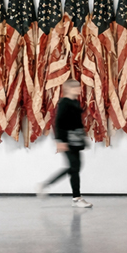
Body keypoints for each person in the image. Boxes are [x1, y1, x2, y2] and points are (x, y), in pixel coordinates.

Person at [36, 79, 92, 208]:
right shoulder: (64, 103)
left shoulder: (75, 102)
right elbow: (59, 123)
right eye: (76, 88)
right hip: (68, 140)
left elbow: (77, 122)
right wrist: (60, 141)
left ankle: (75, 197)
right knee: (74, 168)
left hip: (76, 139)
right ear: (69, 89)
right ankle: (48, 186)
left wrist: (83, 137)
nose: (79, 90)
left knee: (75, 168)